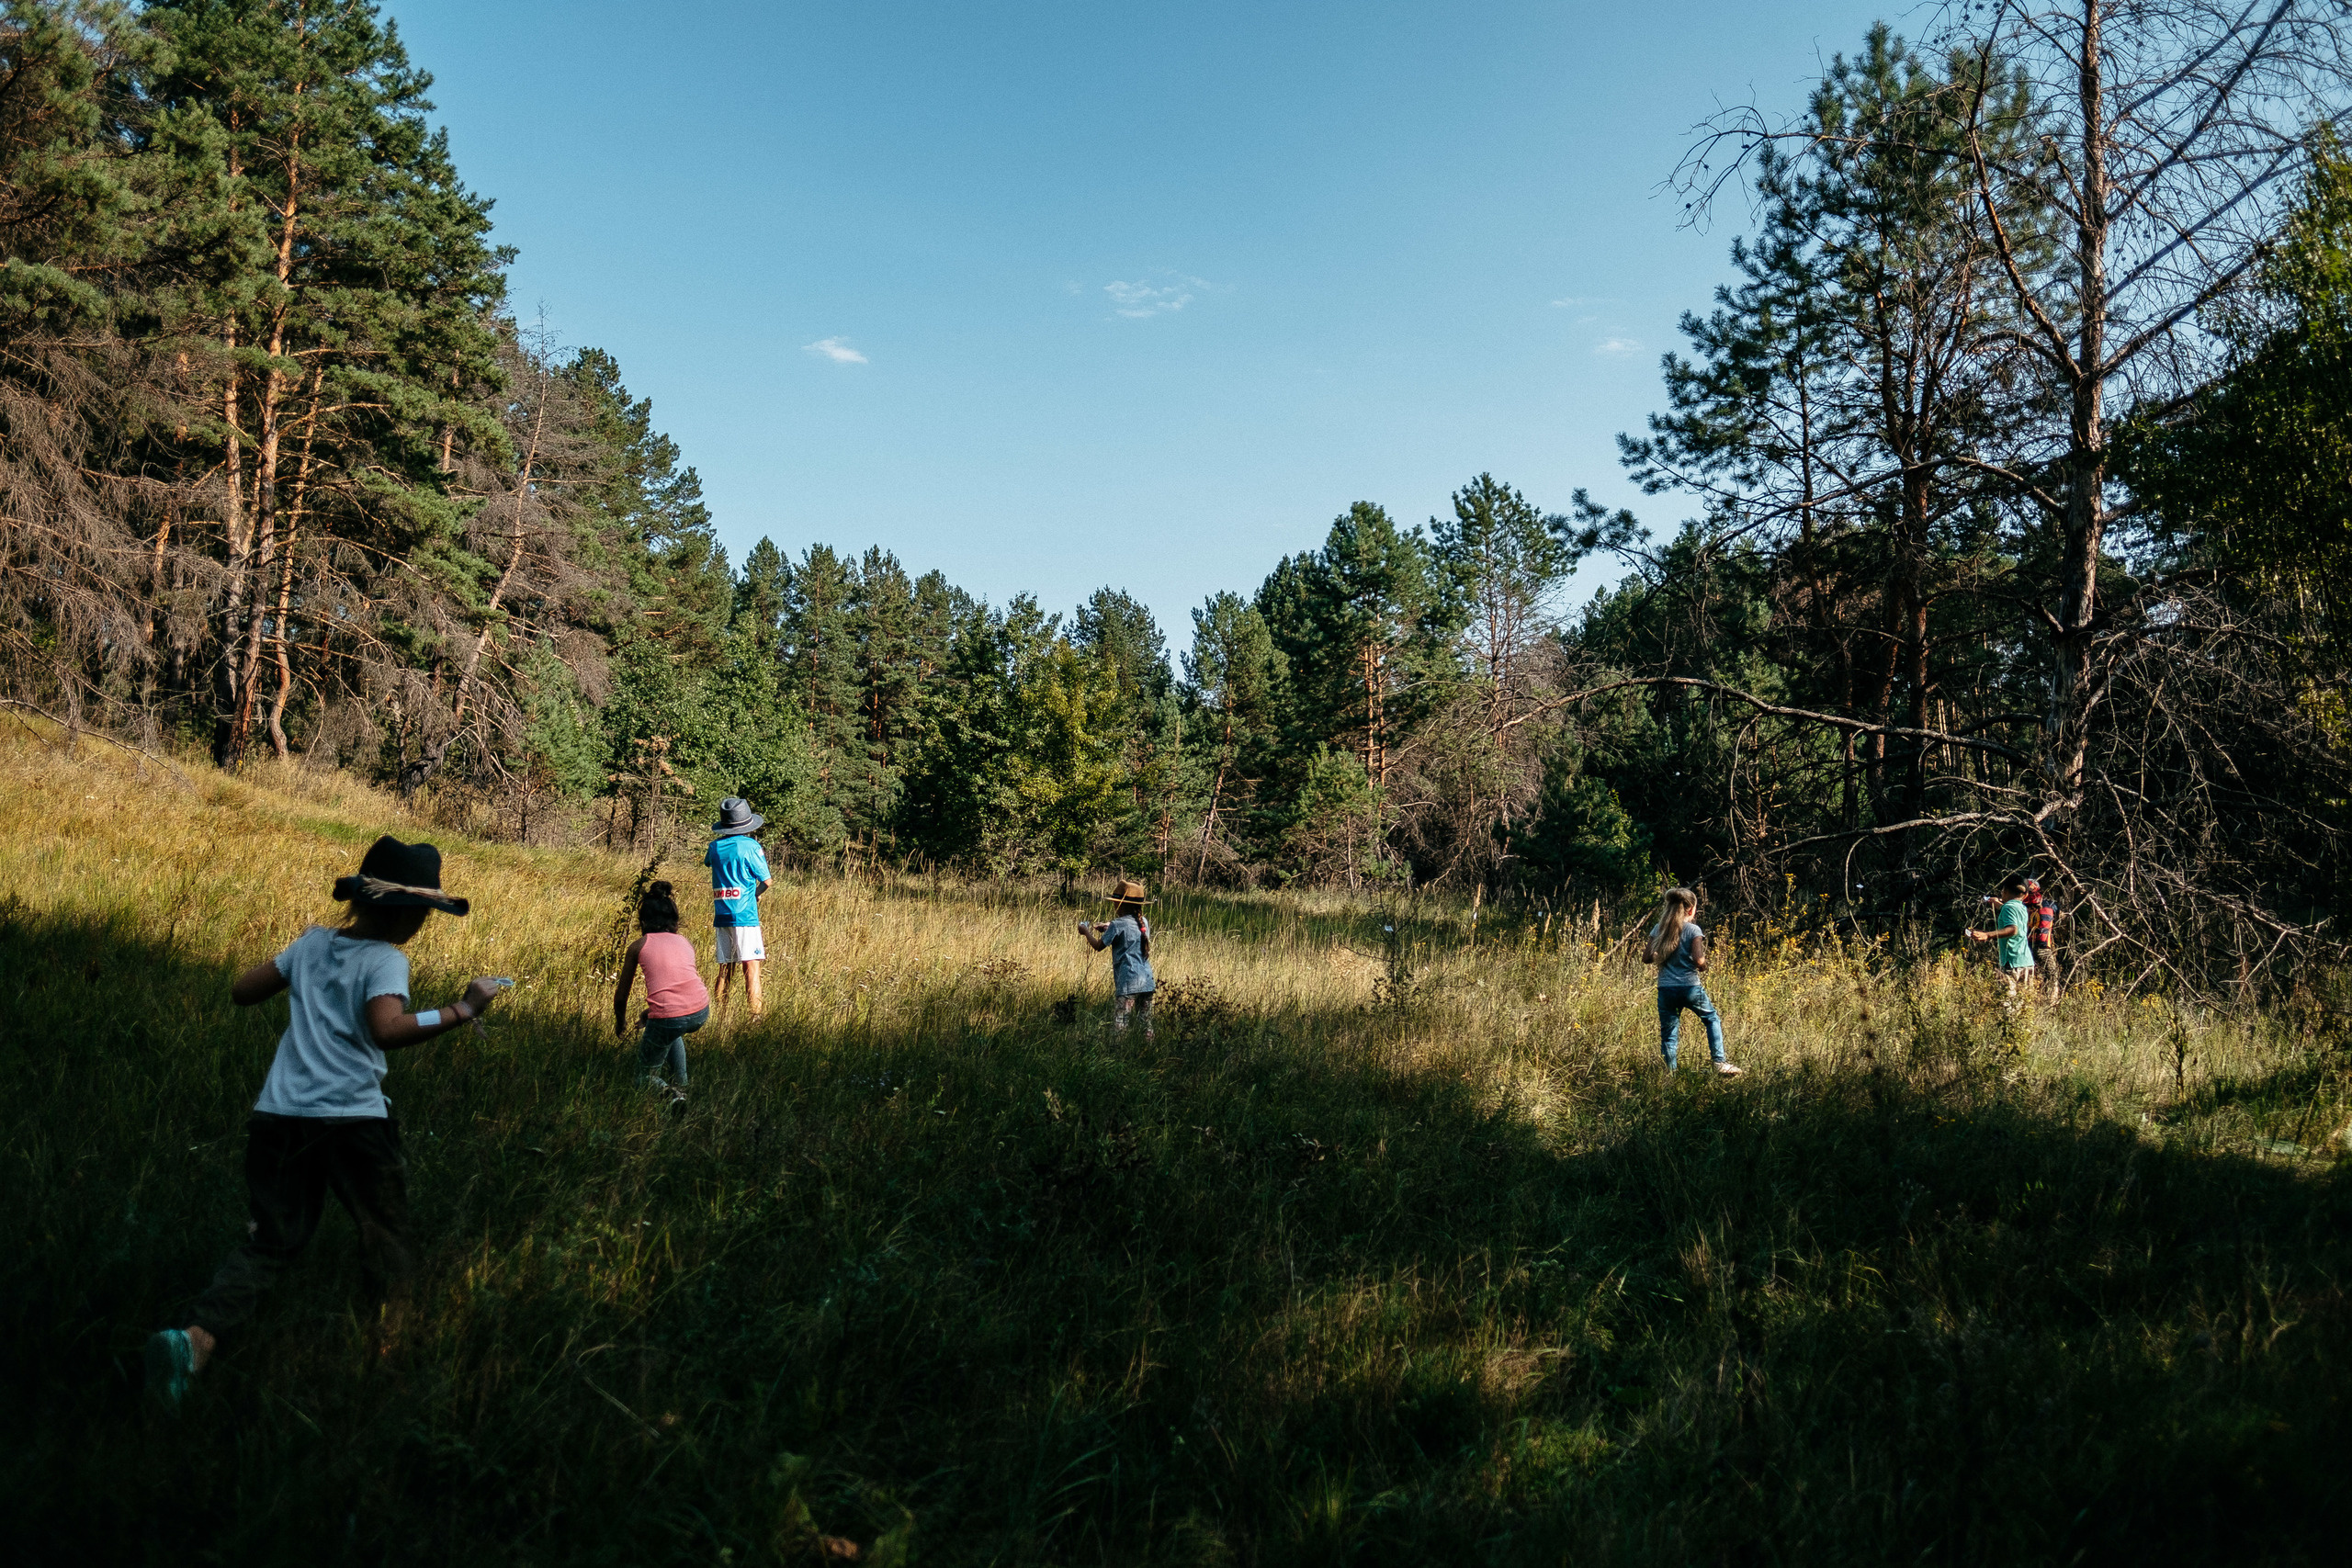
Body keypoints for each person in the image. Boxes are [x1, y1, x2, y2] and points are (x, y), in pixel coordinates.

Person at [145, 836, 507, 1408]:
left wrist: (300, 973)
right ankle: (389, 1360)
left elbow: (243, 991)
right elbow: (387, 1028)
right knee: (386, 1235)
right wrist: (463, 1010)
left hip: (278, 1116)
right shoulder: (387, 958)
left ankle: (194, 1342)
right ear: (410, 914)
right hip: (351, 1123)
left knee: (272, 1241)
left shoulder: (312, 944)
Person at [613, 880, 710, 1109]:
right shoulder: (685, 942)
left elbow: (621, 996)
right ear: (675, 922)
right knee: (672, 1030)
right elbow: (678, 988)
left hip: (670, 1017)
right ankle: (682, 1082)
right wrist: (651, 1013)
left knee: (642, 1078)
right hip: (700, 1010)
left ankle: (673, 1096)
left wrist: (620, 1022)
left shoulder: (638, 946)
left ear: (643, 922)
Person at [1645, 886, 1742, 1077]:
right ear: (1691, 909)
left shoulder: (1658, 929)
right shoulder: (1693, 929)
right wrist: (1704, 965)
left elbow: (1646, 958)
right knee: (1711, 1018)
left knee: (1669, 1033)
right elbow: (1698, 960)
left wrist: (1660, 955)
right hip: (1690, 987)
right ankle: (1719, 1062)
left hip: (1665, 988)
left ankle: (1670, 1075)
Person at [705, 796, 772, 1021]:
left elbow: (709, 863)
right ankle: (755, 1017)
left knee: (726, 968)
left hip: (722, 913)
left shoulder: (714, 847)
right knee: (751, 967)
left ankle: (720, 1017)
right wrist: (756, 893)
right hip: (745, 915)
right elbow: (767, 881)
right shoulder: (751, 846)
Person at [1079, 877, 1156, 1038]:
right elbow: (1130, 930)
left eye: (1115, 901)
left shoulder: (1117, 924)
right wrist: (1108, 927)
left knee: (1121, 1022)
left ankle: (1117, 1052)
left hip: (1128, 981)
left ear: (1120, 904)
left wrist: (1085, 931)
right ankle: (1148, 1050)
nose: (1113, 904)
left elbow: (1098, 946)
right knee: (1146, 1023)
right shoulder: (1144, 922)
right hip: (1147, 980)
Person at [1967, 877, 2037, 997]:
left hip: (2012, 963)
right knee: (2025, 1005)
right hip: (2026, 962)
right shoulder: (2022, 908)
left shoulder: (2008, 908)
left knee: (2007, 1004)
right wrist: (1999, 904)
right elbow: (2011, 910)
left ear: (2004, 891)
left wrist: (1987, 935)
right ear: (2025, 895)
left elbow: (2013, 929)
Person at [2022, 877, 2063, 998]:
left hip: (2026, 948)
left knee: (2029, 977)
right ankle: (2051, 1003)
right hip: (2044, 947)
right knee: (2052, 976)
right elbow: (2060, 916)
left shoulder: (2020, 906)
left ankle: (2030, 1000)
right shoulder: (2051, 905)